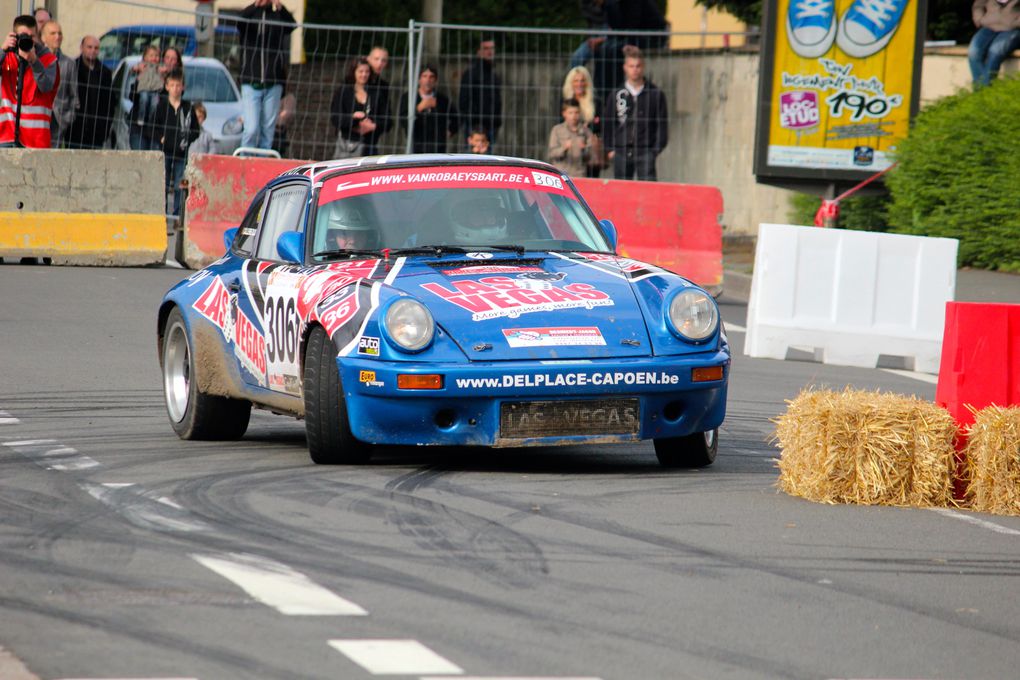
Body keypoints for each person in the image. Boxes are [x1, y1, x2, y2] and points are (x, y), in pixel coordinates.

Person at [602, 46, 667, 182]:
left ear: (643, 67)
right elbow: (607, 123)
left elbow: (662, 125)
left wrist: (654, 151)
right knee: (621, 194)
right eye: (631, 66)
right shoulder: (616, 94)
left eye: (638, 66)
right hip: (621, 151)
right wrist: (610, 149)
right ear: (625, 67)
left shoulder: (655, 94)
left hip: (646, 151)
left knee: (648, 192)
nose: (635, 69)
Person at [238, 0, 296, 150]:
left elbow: (292, 25)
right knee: (251, 128)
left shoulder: (277, 15)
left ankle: (262, 164)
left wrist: (280, 8)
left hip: (273, 82)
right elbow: (240, 22)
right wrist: (256, 5)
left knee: (268, 132)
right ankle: (245, 162)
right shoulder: (251, 14)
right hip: (251, 81)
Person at [0, 15, 58, 148]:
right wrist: (3, 50)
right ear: (14, 36)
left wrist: (34, 61)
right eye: (23, 36)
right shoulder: (6, 57)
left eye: (31, 37)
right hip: (6, 135)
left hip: (36, 139)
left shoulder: (49, 60)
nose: (27, 40)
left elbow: (46, 87)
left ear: (37, 37)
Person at [148, 70, 200, 217]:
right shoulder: (162, 106)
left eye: (178, 85)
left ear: (183, 87)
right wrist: (161, 138)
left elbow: (196, 130)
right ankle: (162, 215)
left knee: (179, 184)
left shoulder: (188, 107)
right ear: (167, 86)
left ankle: (178, 215)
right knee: (162, 184)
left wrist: (187, 140)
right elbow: (153, 126)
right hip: (165, 151)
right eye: (172, 85)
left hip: (181, 153)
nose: (176, 88)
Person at [330, 57, 385, 158]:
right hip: (347, 147)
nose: (364, 75)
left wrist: (373, 125)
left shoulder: (376, 94)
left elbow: (387, 120)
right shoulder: (343, 92)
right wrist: (354, 119)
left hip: (370, 147)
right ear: (353, 72)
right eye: (360, 71)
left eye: (367, 71)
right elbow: (335, 118)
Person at [67, 35, 114, 149]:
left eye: (96, 48)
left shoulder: (105, 73)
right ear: (81, 47)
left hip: (97, 132)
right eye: (89, 47)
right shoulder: (72, 68)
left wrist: (105, 129)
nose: (93, 50)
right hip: (75, 130)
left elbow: (110, 103)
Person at [400, 64, 458, 154]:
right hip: (416, 144)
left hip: (437, 146)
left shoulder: (442, 100)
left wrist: (449, 132)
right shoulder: (408, 97)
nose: (428, 80)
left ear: (436, 80)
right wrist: (419, 108)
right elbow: (403, 120)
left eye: (431, 77)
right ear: (419, 79)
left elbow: (456, 118)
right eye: (424, 76)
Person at [458, 35, 502, 149]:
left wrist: (496, 122)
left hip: (491, 126)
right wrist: (475, 123)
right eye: (486, 48)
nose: (489, 51)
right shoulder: (471, 74)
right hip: (474, 127)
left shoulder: (493, 74)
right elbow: (464, 101)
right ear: (479, 51)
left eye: (491, 48)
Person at [41, 19, 77, 148]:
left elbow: (74, 95)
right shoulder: (36, 60)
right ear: (43, 37)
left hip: (59, 119)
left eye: (60, 33)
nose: (58, 37)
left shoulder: (69, 63)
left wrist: (68, 118)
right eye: (53, 33)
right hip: (39, 117)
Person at [562, 65, 603, 176]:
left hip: (588, 149)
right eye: (576, 81)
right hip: (570, 148)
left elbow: (601, 126)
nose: (579, 84)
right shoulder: (565, 101)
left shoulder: (596, 102)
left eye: (582, 80)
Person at [969, 0, 1020, 87]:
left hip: (1012, 29)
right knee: (974, 52)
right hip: (989, 26)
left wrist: (1015, 23)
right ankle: (980, 91)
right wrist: (979, 19)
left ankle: (985, 90)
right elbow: (978, 5)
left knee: (995, 51)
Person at [548, 98, 594, 178]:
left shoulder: (586, 132)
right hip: (561, 175)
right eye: (570, 113)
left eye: (576, 112)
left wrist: (584, 149)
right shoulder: (557, 130)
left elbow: (591, 157)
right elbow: (552, 154)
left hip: (580, 175)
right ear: (564, 113)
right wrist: (564, 148)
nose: (573, 116)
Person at [129, 45, 163, 150]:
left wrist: (163, 75)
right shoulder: (142, 67)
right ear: (144, 57)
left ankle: (151, 121)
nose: (154, 58)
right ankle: (141, 118)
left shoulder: (159, 70)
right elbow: (132, 96)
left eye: (156, 56)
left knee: (154, 103)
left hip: (156, 131)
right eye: (151, 55)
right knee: (143, 98)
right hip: (138, 130)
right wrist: (137, 75)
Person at [365, 45, 393, 153]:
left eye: (384, 60)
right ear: (368, 59)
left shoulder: (383, 86)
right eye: (376, 59)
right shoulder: (352, 84)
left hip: (372, 140)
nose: (379, 63)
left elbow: (387, 118)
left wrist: (374, 125)